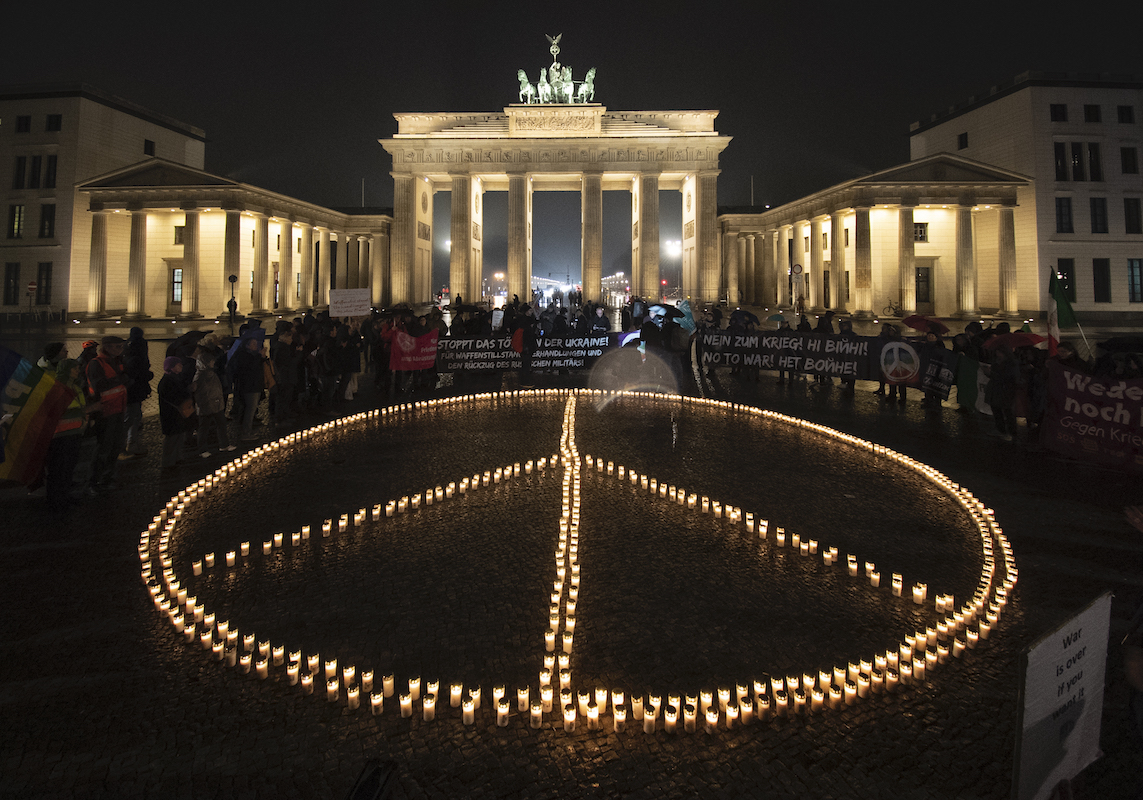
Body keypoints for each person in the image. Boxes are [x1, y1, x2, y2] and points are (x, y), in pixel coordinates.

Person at [44, 359, 97, 512]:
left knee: (68, 469)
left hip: (73, 434)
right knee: (58, 470)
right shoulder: (58, 388)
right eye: (74, 369)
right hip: (60, 437)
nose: (77, 371)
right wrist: (89, 410)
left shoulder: (74, 386)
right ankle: (55, 501)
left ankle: (64, 496)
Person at [85, 336, 129, 491]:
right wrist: (121, 380)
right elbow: (99, 386)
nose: (120, 350)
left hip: (119, 409)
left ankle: (107, 478)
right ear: (108, 347)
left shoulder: (117, 361)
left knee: (115, 446)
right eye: (118, 347)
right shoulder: (96, 364)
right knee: (103, 448)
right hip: (105, 412)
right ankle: (94, 481)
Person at [192, 345, 233, 457]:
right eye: (211, 361)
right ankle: (202, 450)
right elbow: (199, 393)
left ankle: (224, 445)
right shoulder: (200, 376)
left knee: (221, 424)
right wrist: (203, 404)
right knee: (204, 428)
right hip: (206, 405)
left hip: (217, 404)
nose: (213, 363)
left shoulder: (212, 373)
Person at [121, 327, 153, 458]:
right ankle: (125, 446)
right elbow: (139, 373)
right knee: (131, 419)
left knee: (134, 417)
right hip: (133, 393)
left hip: (133, 392)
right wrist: (148, 375)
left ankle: (130, 444)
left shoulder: (127, 349)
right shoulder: (136, 357)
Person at [157, 357, 192, 471]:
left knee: (179, 435)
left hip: (178, 413)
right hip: (171, 414)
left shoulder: (176, 378)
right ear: (171, 367)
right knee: (172, 438)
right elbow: (173, 396)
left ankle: (177, 457)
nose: (181, 366)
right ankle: (167, 461)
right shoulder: (167, 381)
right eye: (178, 365)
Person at [230, 336, 266, 440]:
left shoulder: (252, 355)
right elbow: (250, 370)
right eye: (253, 344)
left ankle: (247, 430)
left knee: (251, 409)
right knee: (250, 409)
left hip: (254, 385)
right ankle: (246, 433)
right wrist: (260, 356)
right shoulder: (244, 356)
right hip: (249, 387)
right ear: (247, 345)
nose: (256, 346)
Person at [985, 345, 1020, 442]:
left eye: (999, 352)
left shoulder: (1012, 363)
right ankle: (1000, 430)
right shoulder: (996, 361)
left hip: (1006, 390)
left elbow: (1009, 377)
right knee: (996, 410)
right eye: (997, 352)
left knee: (1008, 412)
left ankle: (1011, 433)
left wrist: (991, 373)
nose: (997, 354)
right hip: (996, 389)